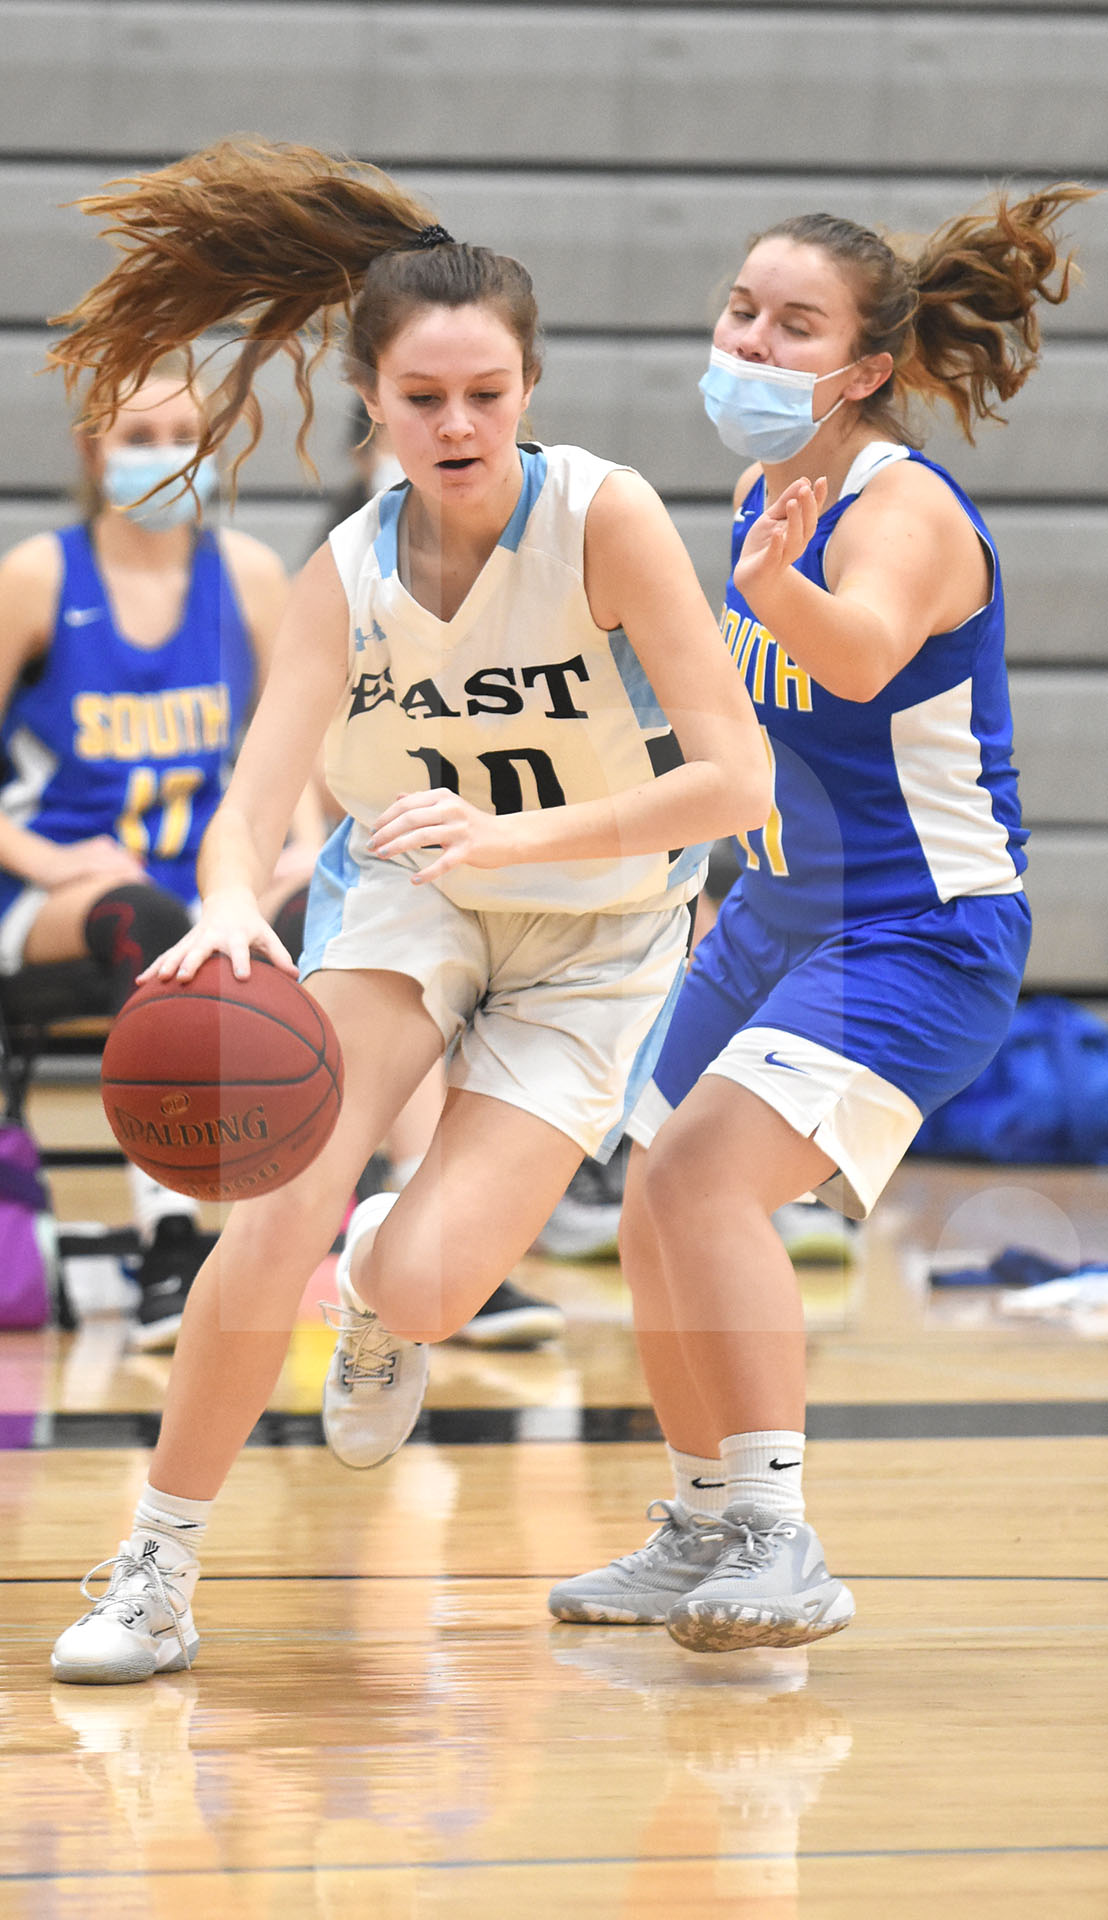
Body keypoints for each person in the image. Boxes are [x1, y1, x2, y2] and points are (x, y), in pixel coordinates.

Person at [44, 136, 770, 1684]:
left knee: (433, 1278)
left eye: (487, 394)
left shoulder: (604, 518)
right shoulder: (341, 576)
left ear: (530, 389)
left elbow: (738, 782)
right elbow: (251, 803)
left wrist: (519, 842)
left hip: (601, 930)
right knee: (275, 1192)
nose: (457, 424)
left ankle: (381, 1288)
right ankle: (158, 1563)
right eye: (424, 397)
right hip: (409, 904)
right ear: (369, 399)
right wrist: (233, 902)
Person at [548, 184, 1093, 1651]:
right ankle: (699, 1524)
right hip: (780, 911)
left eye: (796, 325)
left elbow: (852, 663)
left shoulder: (899, 508)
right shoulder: (757, 498)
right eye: (742, 310)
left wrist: (776, 586)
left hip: (924, 930)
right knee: (652, 1185)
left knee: (707, 1186)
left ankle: (784, 1543)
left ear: (864, 367)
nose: (753, 340)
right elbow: (753, 738)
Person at [0, 362, 320, 1351]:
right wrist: (42, 861)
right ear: (94, 452)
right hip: (62, 891)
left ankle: (356, 1229)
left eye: (184, 431)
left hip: (214, 880)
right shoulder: (39, 576)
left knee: (344, 911)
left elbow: (289, 743)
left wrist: (302, 840)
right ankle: (171, 1240)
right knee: (145, 920)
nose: (164, 453)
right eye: (138, 435)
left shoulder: (251, 576)